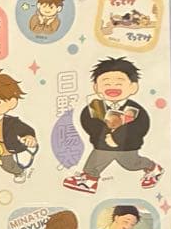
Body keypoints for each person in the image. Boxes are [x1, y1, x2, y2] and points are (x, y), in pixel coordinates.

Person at [64, 57, 162, 194]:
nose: (112, 87)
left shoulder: (135, 110)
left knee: (131, 164)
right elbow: (88, 122)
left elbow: (141, 127)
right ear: (96, 87)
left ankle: (153, 167)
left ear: (133, 87)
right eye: (106, 83)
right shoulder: (96, 106)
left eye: (119, 83)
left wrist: (117, 138)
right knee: (99, 155)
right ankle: (90, 179)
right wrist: (103, 135)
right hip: (103, 144)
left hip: (127, 146)